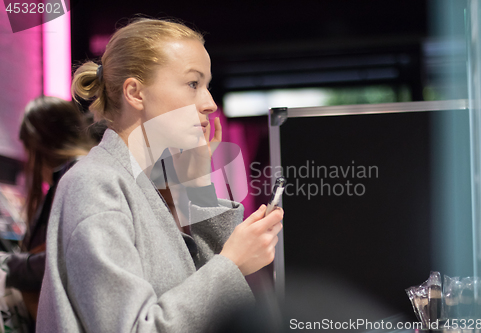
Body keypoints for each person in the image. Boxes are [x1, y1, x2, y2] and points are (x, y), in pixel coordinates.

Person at [37, 18, 283, 332]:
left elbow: (221, 311)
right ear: (135, 93)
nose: (209, 104)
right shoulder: (95, 184)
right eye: (193, 84)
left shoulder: (143, 183)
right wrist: (232, 263)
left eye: (206, 86)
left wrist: (196, 182)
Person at [4, 96, 93, 330]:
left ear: (38, 143)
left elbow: (67, 257)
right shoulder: (82, 171)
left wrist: (9, 265)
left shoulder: (76, 175)